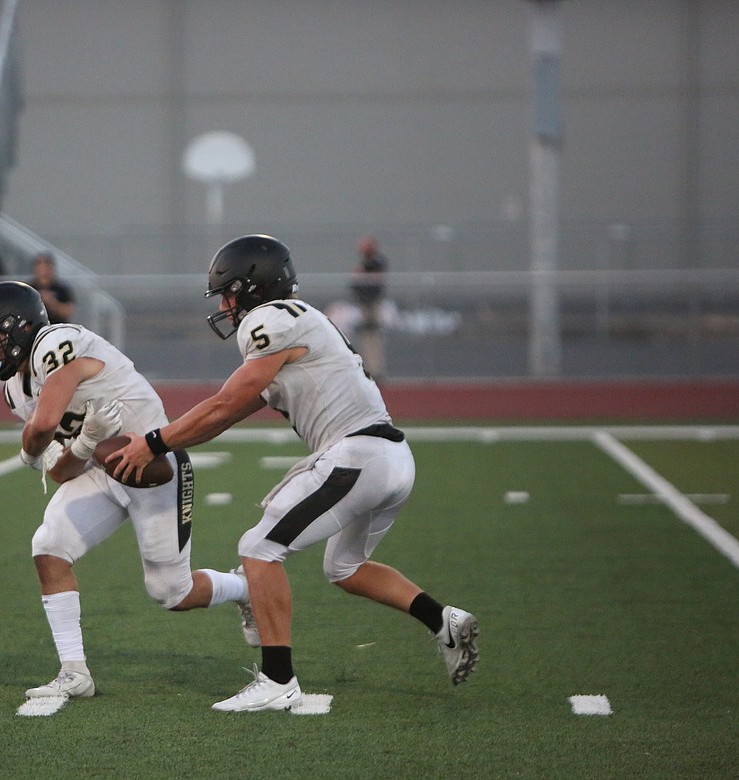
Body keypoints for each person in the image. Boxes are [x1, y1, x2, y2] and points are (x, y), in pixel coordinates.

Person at [111, 235, 480, 712]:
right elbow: (226, 415)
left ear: (253, 288)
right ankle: (444, 621)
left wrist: (155, 441)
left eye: (229, 292)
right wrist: (170, 439)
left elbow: (222, 402)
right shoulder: (301, 322)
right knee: (343, 568)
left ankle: (278, 679)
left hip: (357, 455)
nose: (225, 305)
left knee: (258, 549)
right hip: (390, 457)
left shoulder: (271, 320)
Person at [0, 280, 255, 700]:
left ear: (20, 328)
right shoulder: (15, 389)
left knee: (171, 592)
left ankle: (243, 587)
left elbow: (42, 429)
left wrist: (32, 452)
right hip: (101, 468)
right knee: (49, 547)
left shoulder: (56, 344)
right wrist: (82, 444)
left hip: (149, 460)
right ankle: (74, 671)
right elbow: (63, 470)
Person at [349, 235, 389, 382]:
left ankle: (376, 369)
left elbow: (369, 276)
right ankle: (371, 368)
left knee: (373, 336)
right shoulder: (366, 262)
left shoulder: (376, 262)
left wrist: (360, 274)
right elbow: (354, 281)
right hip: (364, 304)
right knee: (366, 336)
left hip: (372, 304)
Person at [27, 251, 75, 324]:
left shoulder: (61, 289)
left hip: (58, 328)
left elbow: (68, 311)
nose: (44, 271)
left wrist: (52, 303)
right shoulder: (29, 289)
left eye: (47, 266)